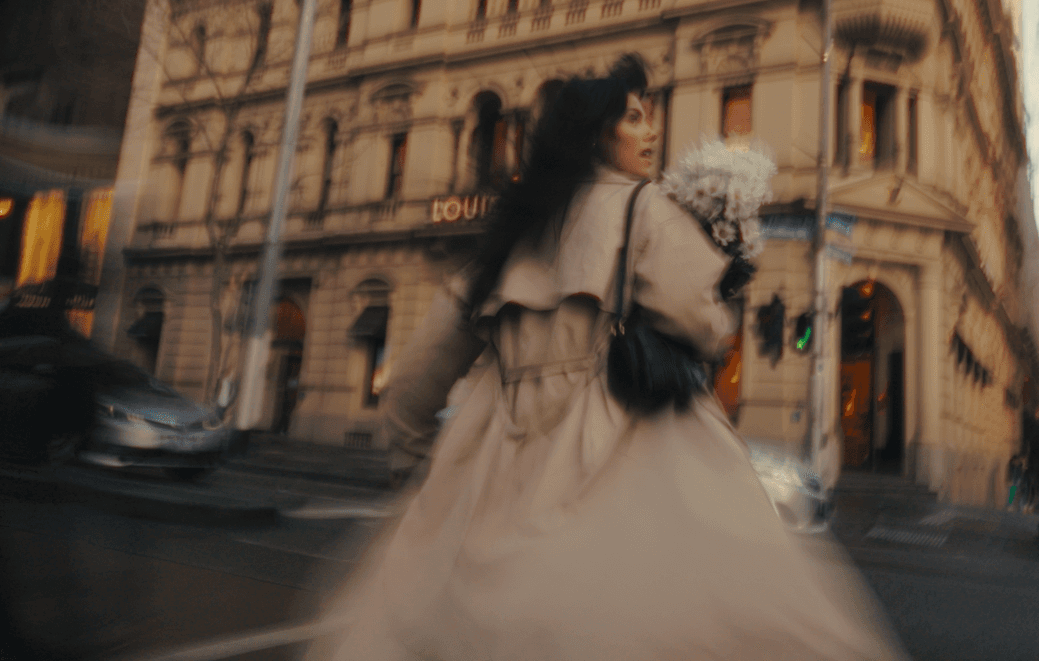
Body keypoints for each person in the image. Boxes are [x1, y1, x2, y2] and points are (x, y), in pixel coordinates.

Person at [303, 54, 909, 661]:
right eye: (636, 119)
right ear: (598, 133)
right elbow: (701, 325)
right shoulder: (644, 208)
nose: (651, 133)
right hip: (619, 453)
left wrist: (416, 466)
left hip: (494, 461)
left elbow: (417, 373)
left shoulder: (513, 235)